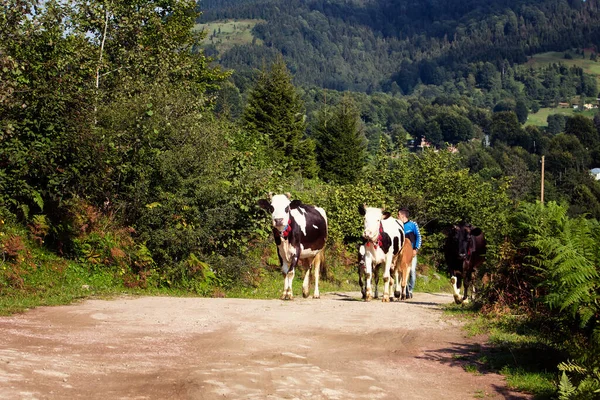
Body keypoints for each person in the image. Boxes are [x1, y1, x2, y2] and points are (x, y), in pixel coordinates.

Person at [397, 207, 421, 299]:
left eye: (398, 214)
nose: (397, 216)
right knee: (400, 271)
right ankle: (404, 290)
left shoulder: (412, 224)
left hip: (411, 252)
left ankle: (410, 290)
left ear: (403, 215)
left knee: (411, 271)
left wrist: (416, 249)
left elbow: (418, 237)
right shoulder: (397, 225)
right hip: (400, 252)